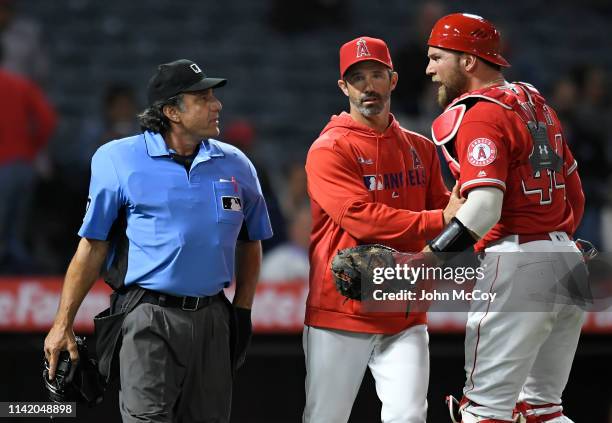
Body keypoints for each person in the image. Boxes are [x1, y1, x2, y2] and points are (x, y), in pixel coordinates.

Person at [43, 59, 273, 422]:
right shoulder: (117, 158)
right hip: (148, 314)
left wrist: (241, 311)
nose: (217, 105)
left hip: (214, 315)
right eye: (203, 98)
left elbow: (251, 240)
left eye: (213, 96)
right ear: (171, 111)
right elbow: (93, 246)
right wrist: (62, 323)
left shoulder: (237, 165)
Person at [424, 13, 586, 422]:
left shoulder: (478, 113)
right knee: (543, 410)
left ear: (468, 61)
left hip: (518, 260)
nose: (428, 69)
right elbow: (575, 191)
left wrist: (427, 260)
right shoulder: (536, 102)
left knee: (484, 412)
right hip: (568, 258)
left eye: (437, 57)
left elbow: (484, 207)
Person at [303, 36, 464, 423]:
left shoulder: (421, 148)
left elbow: (450, 212)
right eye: (358, 78)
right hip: (342, 312)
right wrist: (440, 220)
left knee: (409, 416)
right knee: (326, 418)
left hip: (405, 313)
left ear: (393, 80)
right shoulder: (329, 149)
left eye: (376, 75)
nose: (368, 86)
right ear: (344, 87)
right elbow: (361, 216)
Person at [0, 44, 56, 272]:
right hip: (22, 164)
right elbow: (48, 120)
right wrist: (31, 148)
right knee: (15, 232)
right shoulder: (21, 83)